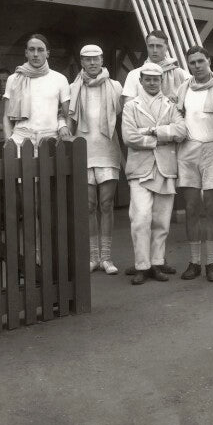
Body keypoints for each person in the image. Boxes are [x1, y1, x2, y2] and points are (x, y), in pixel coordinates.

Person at [121, 30, 191, 276]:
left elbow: (181, 130)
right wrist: (161, 139)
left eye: (155, 80)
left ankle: (158, 262)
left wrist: (151, 131)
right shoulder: (131, 106)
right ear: (141, 81)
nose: (151, 83)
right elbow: (129, 137)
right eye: (147, 79)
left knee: (161, 220)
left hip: (165, 168)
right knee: (140, 217)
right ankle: (142, 265)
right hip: (140, 168)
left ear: (161, 81)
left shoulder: (171, 106)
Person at [175, 45, 213, 283]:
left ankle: (211, 263)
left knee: (211, 209)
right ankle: (194, 262)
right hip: (188, 150)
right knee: (191, 208)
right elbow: (177, 114)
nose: (197, 66)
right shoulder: (183, 88)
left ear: (209, 61)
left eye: (200, 61)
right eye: (192, 62)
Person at [67, 44, 124, 275]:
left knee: (107, 205)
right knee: (88, 206)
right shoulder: (73, 87)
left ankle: (107, 258)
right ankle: (93, 257)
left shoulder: (115, 86)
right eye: (87, 59)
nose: (92, 63)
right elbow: (68, 121)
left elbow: (125, 115)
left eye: (96, 59)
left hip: (107, 150)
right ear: (81, 62)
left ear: (102, 60)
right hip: (84, 152)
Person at [3, 34, 71, 151]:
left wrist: (65, 142)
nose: (35, 54)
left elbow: (68, 115)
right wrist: (8, 142)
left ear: (47, 53)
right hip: (20, 140)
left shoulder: (60, 79)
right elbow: (6, 116)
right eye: (31, 49)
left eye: (40, 50)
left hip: (50, 141)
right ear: (26, 53)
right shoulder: (13, 79)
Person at [122, 30, 190, 105]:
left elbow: (192, 100)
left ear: (166, 47)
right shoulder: (134, 74)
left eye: (159, 46)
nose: (154, 50)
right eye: (151, 46)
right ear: (147, 47)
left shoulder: (180, 73)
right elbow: (128, 106)